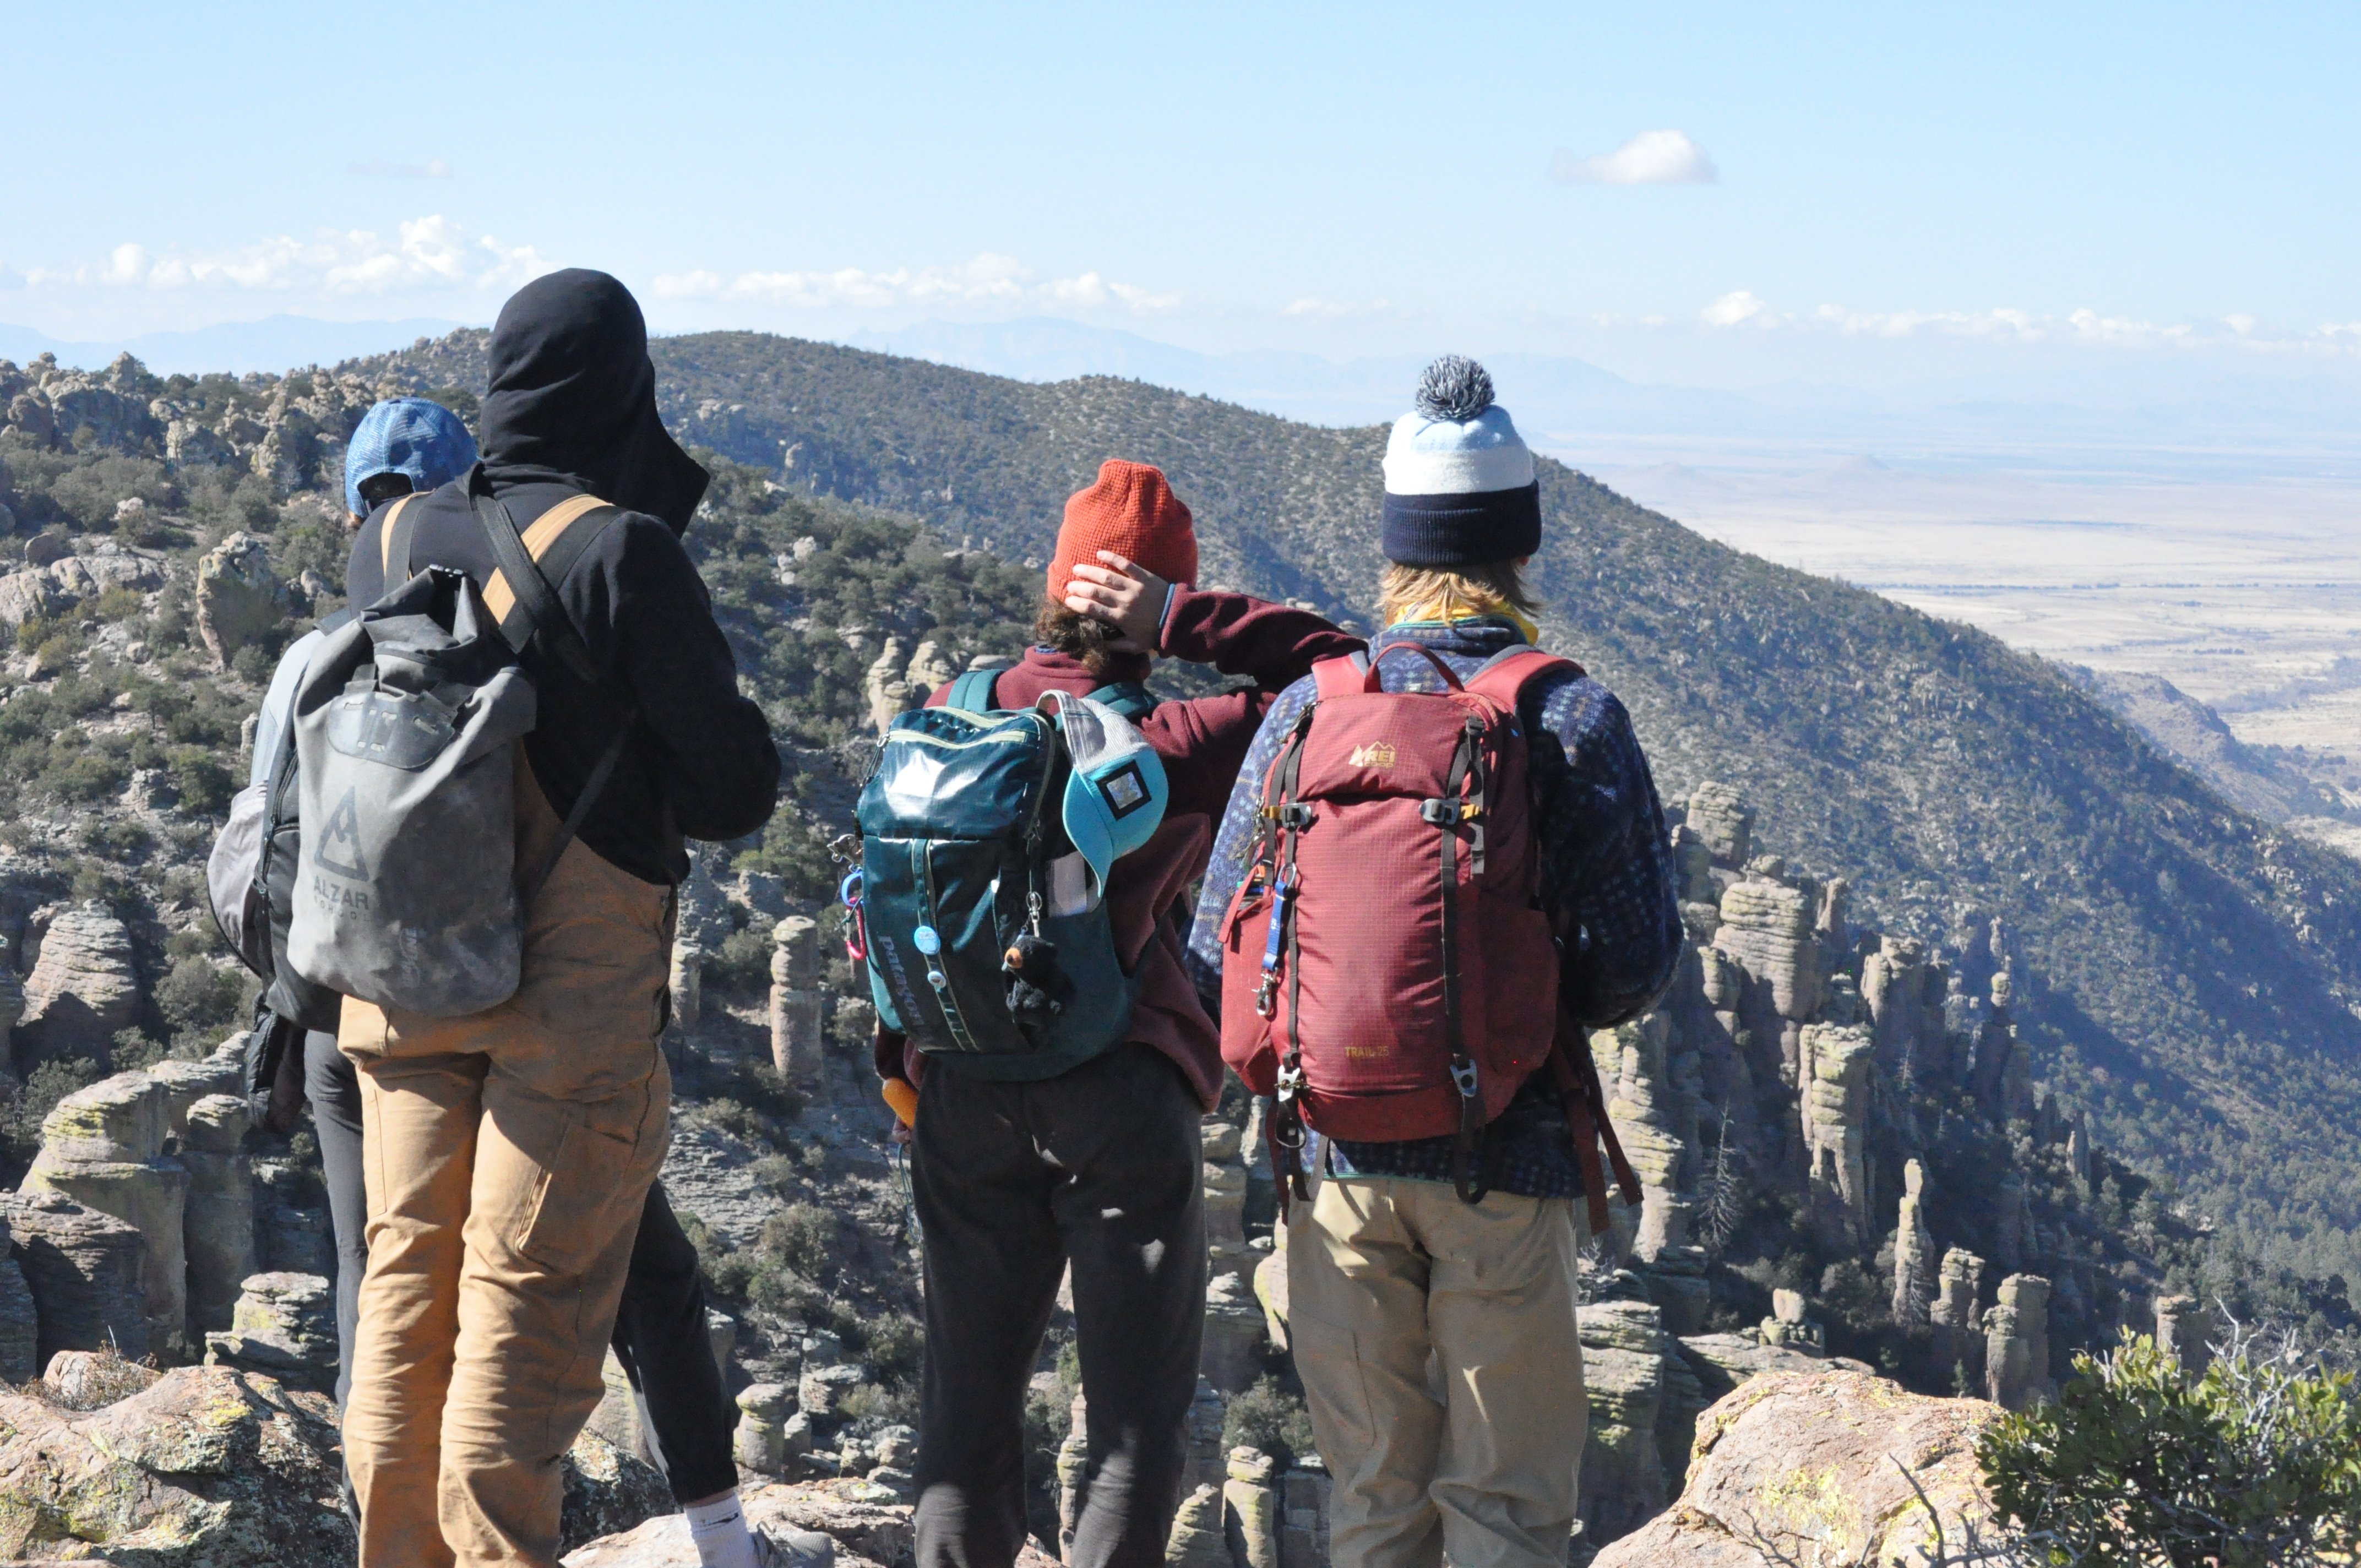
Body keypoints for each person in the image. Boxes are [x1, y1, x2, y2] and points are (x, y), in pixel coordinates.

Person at [1188, 358, 1683, 1568]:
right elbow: (1634, 961)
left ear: (1395, 547)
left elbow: (1216, 947)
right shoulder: (1564, 714)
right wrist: (1504, 1001)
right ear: (1518, 546)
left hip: (1332, 1164)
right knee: (1504, 1508)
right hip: (1503, 1160)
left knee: (1371, 1503)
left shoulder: (1308, 710)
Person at [336, 270, 780, 1568]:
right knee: (521, 1316)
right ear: (618, 390)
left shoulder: (388, 536)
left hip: (404, 967)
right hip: (567, 996)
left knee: (406, 1297)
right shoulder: (618, 548)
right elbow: (732, 789)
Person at [880, 460, 1363, 1568]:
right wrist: (1188, 618)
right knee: (1132, 1422)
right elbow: (1340, 669)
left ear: (1056, 586)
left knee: (963, 1415)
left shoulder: (954, 708)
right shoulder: (1177, 736)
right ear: (1148, 602)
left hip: (959, 1083)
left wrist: (903, 1060)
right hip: (1119, 1092)